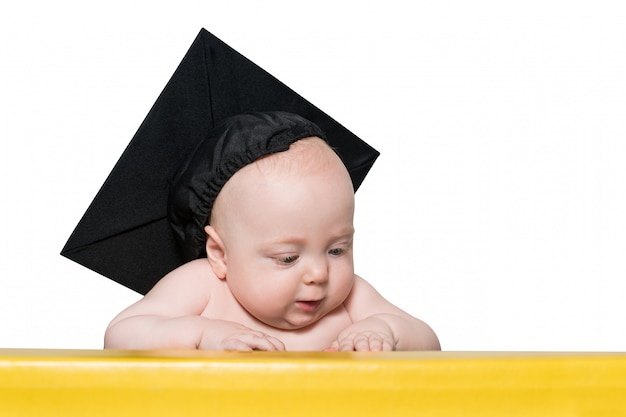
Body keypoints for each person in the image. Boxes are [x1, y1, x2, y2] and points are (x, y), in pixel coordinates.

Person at [104, 112, 440, 352]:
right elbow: (121, 334)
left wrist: (385, 330)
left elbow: (429, 342)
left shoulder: (352, 300)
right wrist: (201, 334)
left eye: (337, 250)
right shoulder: (203, 286)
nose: (319, 273)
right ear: (220, 255)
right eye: (288, 257)